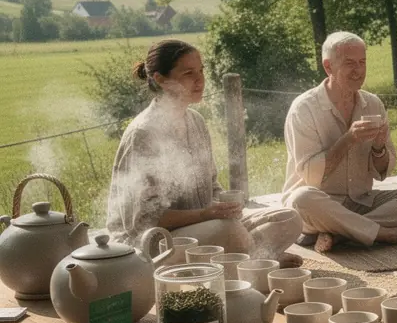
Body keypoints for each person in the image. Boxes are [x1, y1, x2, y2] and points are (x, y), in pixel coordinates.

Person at [107, 39, 302, 263]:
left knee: (288, 218)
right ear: (161, 80)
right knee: (229, 231)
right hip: (151, 243)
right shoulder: (144, 133)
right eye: (188, 73)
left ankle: (249, 257)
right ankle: (258, 260)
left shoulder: (196, 121)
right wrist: (207, 214)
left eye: (201, 70)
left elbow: (212, 186)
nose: (200, 80)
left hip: (205, 227)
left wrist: (225, 204)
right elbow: (142, 220)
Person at [282, 31, 397, 252]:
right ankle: (387, 234)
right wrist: (348, 140)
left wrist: (378, 148)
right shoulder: (304, 109)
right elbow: (311, 176)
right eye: (349, 63)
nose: (358, 71)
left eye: (362, 62)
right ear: (328, 67)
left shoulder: (373, 104)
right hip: (318, 204)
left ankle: (341, 233)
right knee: (301, 199)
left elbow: (384, 171)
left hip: (361, 202)